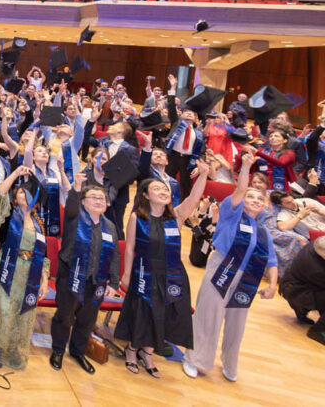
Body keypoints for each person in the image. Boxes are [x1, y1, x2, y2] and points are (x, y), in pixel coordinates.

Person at [183, 152, 277, 381]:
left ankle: (229, 364)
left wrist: (273, 285)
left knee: (236, 325)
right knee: (209, 316)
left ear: (265, 205)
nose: (255, 200)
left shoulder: (263, 232)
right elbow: (239, 191)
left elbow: (272, 261)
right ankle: (194, 359)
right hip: (221, 268)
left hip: (246, 279)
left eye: (260, 199)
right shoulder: (230, 213)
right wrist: (245, 167)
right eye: (251, 197)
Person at [115, 161, 208, 378]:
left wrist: (203, 175)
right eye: (156, 188)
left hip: (172, 275)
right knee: (143, 312)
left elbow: (194, 199)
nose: (163, 191)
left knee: (165, 313)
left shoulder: (175, 216)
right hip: (144, 273)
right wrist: (126, 274)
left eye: (165, 189)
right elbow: (129, 248)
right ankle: (132, 350)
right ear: (145, 195)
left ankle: (148, 352)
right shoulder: (138, 217)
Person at [0, 162, 47, 370]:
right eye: (20, 192)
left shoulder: (39, 223)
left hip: (29, 275)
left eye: (28, 193)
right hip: (7, 268)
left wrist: (44, 279)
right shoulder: (9, 217)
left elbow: (44, 256)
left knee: (22, 314)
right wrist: (17, 172)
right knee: (6, 312)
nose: (23, 195)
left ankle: (10, 346)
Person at [50, 175, 121, 374]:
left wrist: (113, 282)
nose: (99, 200)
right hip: (71, 276)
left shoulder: (110, 227)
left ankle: (78, 351)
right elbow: (71, 204)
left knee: (87, 320)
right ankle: (57, 350)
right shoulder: (75, 217)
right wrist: (76, 188)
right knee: (64, 317)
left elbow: (115, 255)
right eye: (94, 197)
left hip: (96, 282)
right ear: (83, 201)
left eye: (102, 198)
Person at [279, 236, 325, 347]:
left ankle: (302, 310)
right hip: (295, 291)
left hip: (297, 284)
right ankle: (318, 331)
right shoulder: (316, 269)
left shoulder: (317, 245)